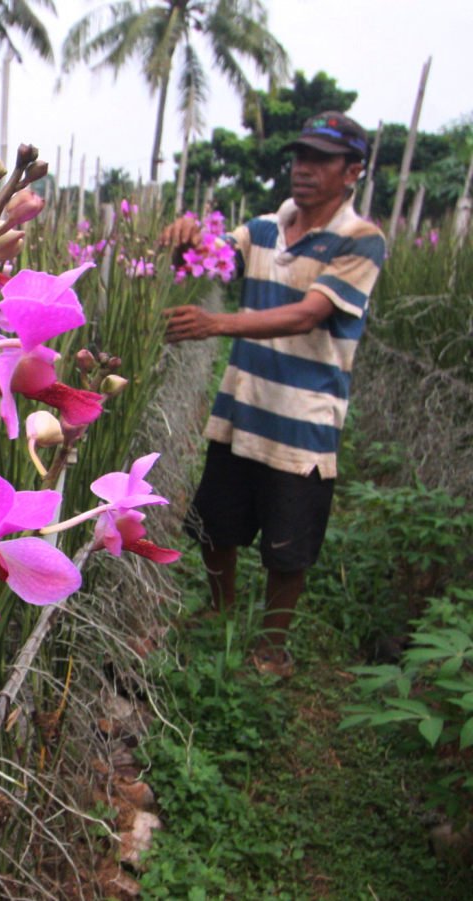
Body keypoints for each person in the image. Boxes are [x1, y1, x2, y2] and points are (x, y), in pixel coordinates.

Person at [160, 111, 386, 676]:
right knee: (217, 520)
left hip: (303, 413)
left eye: (321, 159)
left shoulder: (361, 239)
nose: (304, 169)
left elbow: (312, 313)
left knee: (290, 542)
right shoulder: (261, 229)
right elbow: (204, 262)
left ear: (353, 170)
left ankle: (271, 646)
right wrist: (182, 240)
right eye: (300, 157)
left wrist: (218, 325)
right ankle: (220, 613)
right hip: (242, 402)